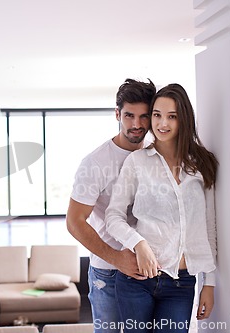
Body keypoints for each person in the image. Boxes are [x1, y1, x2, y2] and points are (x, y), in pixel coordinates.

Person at [105, 83, 218, 333]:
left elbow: (208, 227)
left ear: (184, 119)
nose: (162, 123)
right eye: (157, 115)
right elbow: (113, 216)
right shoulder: (137, 162)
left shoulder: (202, 164)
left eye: (171, 116)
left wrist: (209, 283)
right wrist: (139, 243)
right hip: (136, 280)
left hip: (182, 283)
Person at [67, 78, 156, 333]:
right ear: (117, 113)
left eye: (144, 116)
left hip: (151, 269)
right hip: (109, 273)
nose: (136, 124)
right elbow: (74, 222)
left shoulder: (156, 153)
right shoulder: (95, 162)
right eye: (129, 115)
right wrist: (117, 259)